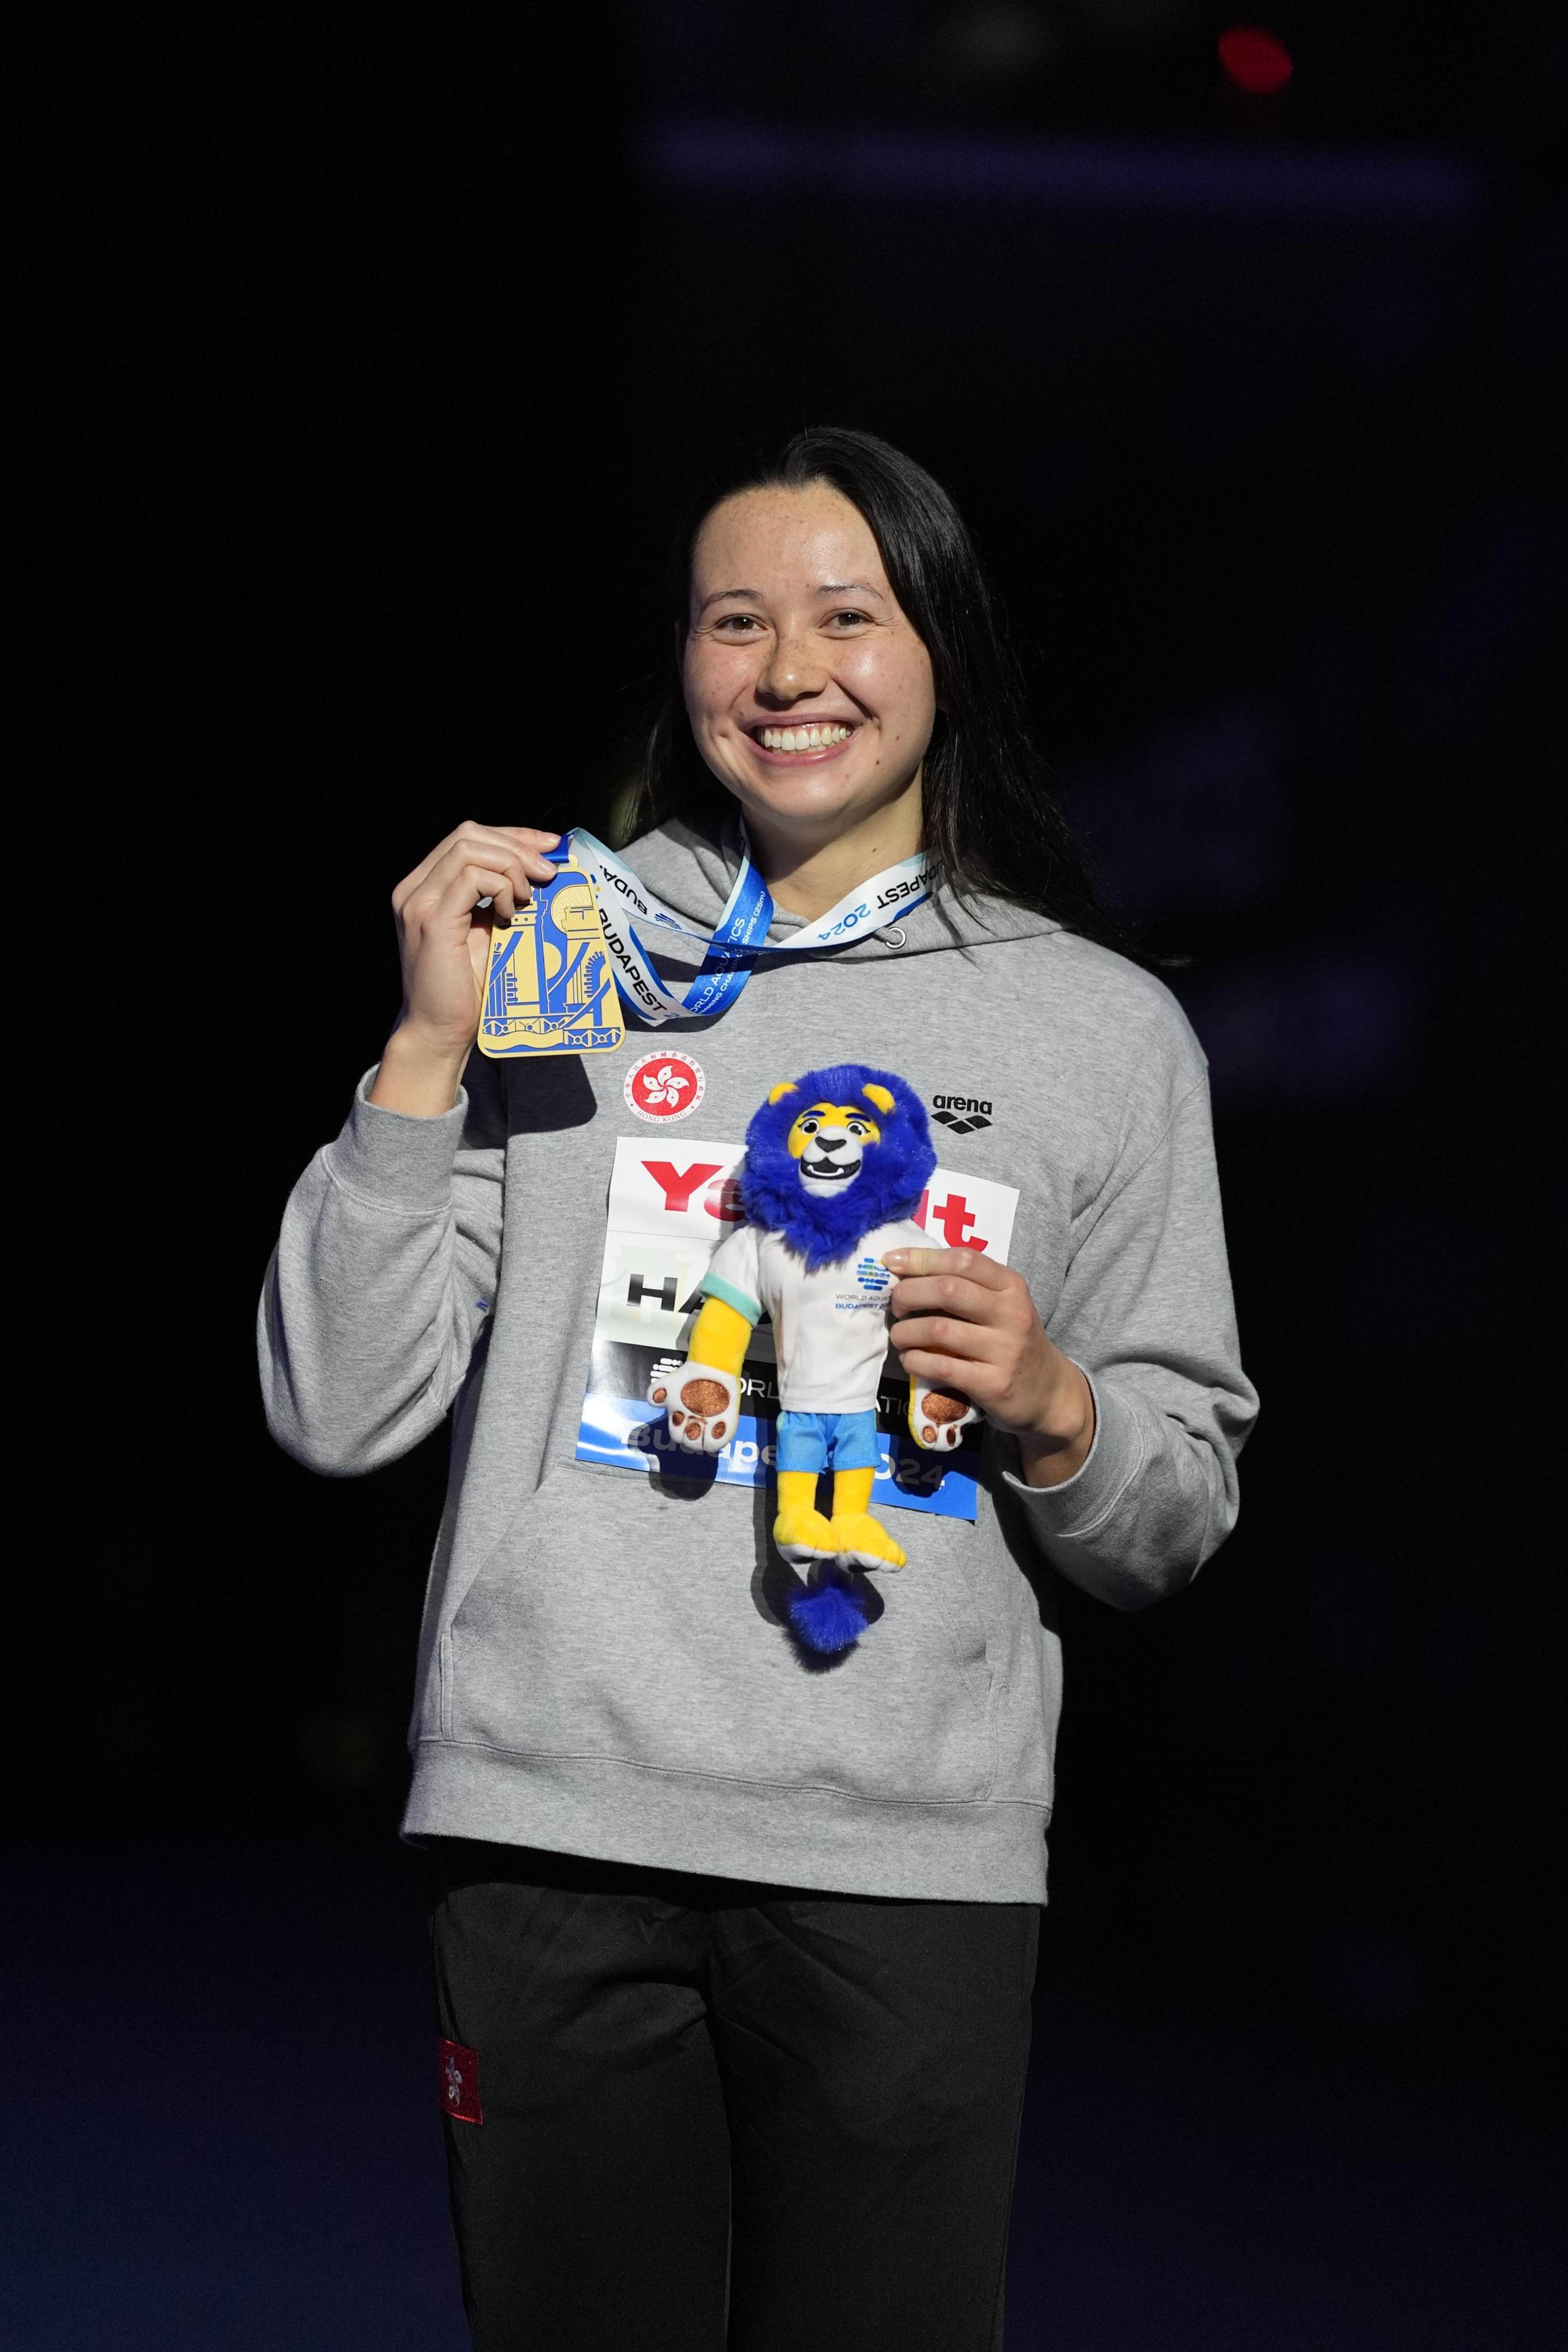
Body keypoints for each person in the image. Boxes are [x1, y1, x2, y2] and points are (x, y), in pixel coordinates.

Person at [259, 425, 1258, 2350]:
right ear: (686, 664)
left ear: (940, 651)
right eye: (737, 621)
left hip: (904, 1855)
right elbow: (336, 1405)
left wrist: (1056, 1407)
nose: (788, 668)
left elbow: (1173, 1512)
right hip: (548, 1822)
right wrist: (414, 1052)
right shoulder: (552, 960)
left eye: (845, 615)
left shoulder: (1097, 1029)